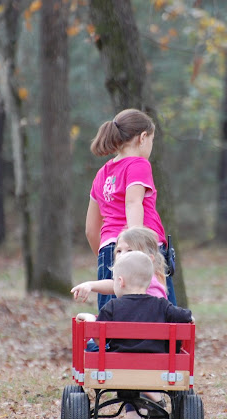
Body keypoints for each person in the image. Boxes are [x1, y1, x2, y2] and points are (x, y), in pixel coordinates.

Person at [76, 251, 194, 419]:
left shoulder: (112, 306)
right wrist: (190, 318)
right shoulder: (162, 305)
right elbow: (187, 317)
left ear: (120, 281)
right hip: (159, 369)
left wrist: (88, 318)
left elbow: (99, 339)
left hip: (116, 370)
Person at [85, 109, 177, 309]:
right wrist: (136, 252)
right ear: (143, 137)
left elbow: (91, 230)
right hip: (140, 250)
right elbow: (133, 203)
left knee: (111, 326)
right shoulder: (138, 164)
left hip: (110, 251)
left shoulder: (102, 174)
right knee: (160, 320)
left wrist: (109, 258)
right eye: (152, 140)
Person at [72, 226, 168, 302]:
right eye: (118, 251)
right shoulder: (129, 280)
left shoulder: (148, 280)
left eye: (129, 250)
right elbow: (113, 285)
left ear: (149, 259)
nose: (122, 255)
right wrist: (90, 285)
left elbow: (158, 312)